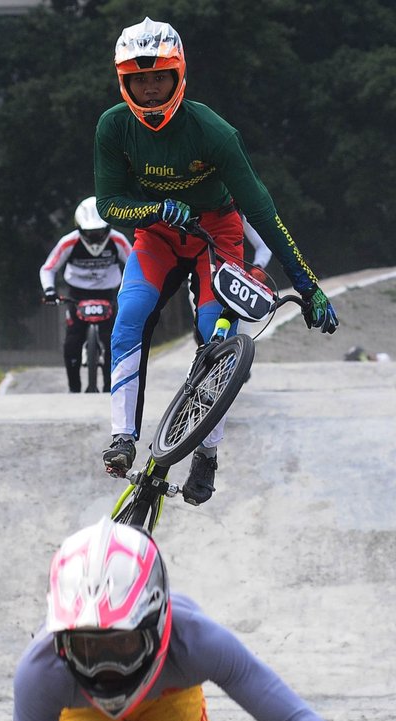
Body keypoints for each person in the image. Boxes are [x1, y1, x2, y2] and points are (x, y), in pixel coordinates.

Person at [8, 517, 366, 721]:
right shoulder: (43, 672)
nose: (108, 669)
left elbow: (296, 720)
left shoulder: (197, 641)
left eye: (123, 644)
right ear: (61, 639)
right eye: (88, 648)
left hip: (145, 698)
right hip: (125, 697)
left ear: (159, 619)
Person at [95, 18, 338, 502]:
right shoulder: (113, 126)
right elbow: (108, 205)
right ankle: (124, 437)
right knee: (129, 318)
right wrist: (154, 208)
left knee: (214, 337)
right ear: (124, 81)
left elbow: (264, 213)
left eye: (158, 78)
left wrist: (308, 286)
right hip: (158, 232)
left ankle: (207, 455)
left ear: (178, 75)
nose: (148, 90)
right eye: (138, 80)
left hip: (217, 232)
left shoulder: (214, 132)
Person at [40, 196, 132, 392]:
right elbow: (48, 268)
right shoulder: (68, 242)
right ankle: (74, 389)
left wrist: (133, 289)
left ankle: (110, 388)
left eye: (99, 232)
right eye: (90, 233)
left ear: (108, 227)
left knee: (113, 341)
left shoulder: (118, 240)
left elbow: (135, 264)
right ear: (79, 228)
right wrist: (49, 290)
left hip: (108, 294)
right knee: (72, 341)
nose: (95, 237)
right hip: (77, 295)